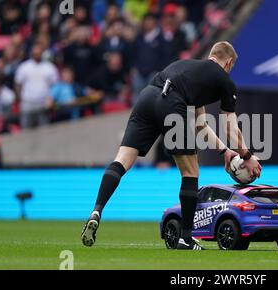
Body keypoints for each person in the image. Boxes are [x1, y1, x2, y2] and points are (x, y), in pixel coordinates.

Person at [81, 41, 262, 250]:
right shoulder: (224, 81)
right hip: (172, 104)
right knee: (190, 172)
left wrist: (224, 151)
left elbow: (201, 125)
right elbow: (231, 129)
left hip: (147, 97)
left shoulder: (185, 66)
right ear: (229, 62)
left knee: (121, 161)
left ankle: (97, 210)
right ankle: (186, 238)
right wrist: (247, 156)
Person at [14, 42, 58, 129]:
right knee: (26, 130)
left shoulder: (49, 67)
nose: (37, 53)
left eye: (39, 50)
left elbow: (55, 85)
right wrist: (20, 98)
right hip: (27, 103)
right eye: (35, 50)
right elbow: (18, 84)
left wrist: (51, 98)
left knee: (45, 130)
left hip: (43, 103)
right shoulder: (24, 67)